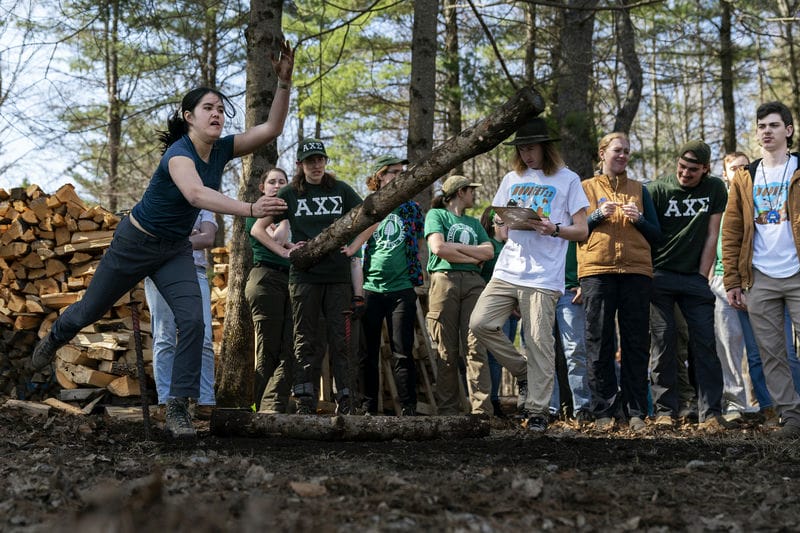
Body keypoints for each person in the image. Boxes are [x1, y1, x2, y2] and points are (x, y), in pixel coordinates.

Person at [30, 41, 295, 438]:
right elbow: (196, 195)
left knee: (193, 322)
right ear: (188, 117)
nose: (217, 114)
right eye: (208, 108)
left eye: (221, 109)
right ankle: (54, 338)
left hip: (174, 249)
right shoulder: (179, 153)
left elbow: (271, 128)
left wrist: (285, 83)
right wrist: (251, 208)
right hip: (133, 243)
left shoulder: (221, 149)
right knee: (89, 310)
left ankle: (178, 408)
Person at [469, 116, 589, 433]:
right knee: (480, 323)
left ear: (546, 148)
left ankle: (538, 411)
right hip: (508, 268)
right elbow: (499, 222)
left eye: (531, 148)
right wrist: (504, 224)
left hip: (543, 274)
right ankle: (523, 371)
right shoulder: (512, 177)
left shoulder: (568, 180)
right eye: (521, 149)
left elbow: (582, 230)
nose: (526, 155)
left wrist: (555, 229)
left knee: (538, 342)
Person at [255, 138, 363, 415]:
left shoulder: (340, 190)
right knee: (305, 339)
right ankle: (305, 401)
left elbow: (371, 216)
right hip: (304, 278)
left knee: (341, 340)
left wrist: (353, 246)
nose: (316, 165)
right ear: (300, 164)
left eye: (320, 160)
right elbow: (257, 229)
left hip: (338, 276)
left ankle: (347, 401)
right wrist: (283, 252)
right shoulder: (290, 193)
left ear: (326, 162)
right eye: (310, 161)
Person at [722, 101, 800, 437]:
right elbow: (733, 229)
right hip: (759, 277)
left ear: (789, 130)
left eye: (773, 125)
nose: (766, 131)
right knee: (771, 354)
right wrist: (733, 280)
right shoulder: (745, 176)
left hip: (797, 271)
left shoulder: (798, 169)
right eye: (761, 126)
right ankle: (792, 418)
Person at [578, 132, 661, 432]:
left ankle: (636, 410)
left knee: (636, 343)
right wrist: (597, 215)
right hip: (596, 271)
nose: (623, 155)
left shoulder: (640, 190)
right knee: (599, 342)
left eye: (627, 151)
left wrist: (638, 219)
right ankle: (603, 411)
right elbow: (576, 231)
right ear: (602, 154)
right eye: (617, 150)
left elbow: (656, 234)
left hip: (636, 272)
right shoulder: (584, 188)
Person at [647, 140, 729, 430]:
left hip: (695, 278)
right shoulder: (657, 189)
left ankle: (711, 413)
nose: (685, 173)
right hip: (661, 275)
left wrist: (702, 275)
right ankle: (665, 411)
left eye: (692, 170)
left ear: (705, 169)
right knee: (663, 342)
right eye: (682, 166)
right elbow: (647, 234)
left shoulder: (716, 188)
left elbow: (712, 233)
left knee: (705, 343)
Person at [343, 155, 423, 416]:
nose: (400, 175)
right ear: (380, 175)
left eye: (402, 171)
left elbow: (417, 243)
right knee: (368, 353)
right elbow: (356, 241)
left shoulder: (411, 208)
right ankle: (368, 407)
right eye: (393, 171)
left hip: (402, 289)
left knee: (403, 351)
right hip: (372, 289)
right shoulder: (368, 206)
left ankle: (408, 408)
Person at [425, 175, 495, 415]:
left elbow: (488, 252)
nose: (473, 195)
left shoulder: (475, 223)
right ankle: (448, 411)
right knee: (447, 349)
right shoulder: (437, 216)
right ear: (460, 192)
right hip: (444, 282)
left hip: (475, 284)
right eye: (470, 190)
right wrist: (471, 257)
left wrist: (458, 250)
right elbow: (438, 248)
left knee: (476, 346)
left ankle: (481, 411)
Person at [144, 209, 217, 419]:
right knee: (164, 337)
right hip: (159, 271)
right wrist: (191, 236)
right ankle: (165, 401)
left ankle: (205, 401)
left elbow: (208, 237)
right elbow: (151, 237)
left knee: (203, 338)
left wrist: (173, 239)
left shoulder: (203, 205)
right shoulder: (159, 200)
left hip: (196, 271)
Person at [246, 167, 294, 413]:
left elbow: (287, 241)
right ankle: (260, 408)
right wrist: (285, 217)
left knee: (291, 346)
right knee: (268, 349)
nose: (277, 186)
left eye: (282, 182)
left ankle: (274, 405)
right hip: (265, 279)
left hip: (291, 282)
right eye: (272, 182)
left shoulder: (291, 211)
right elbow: (276, 240)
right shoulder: (257, 211)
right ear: (262, 187)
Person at [478, 207, 519, 418]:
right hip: (496, 310)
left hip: (514, 312)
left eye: (510, 224)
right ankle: (492, 401)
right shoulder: (489, 247)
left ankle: (497, 399)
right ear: (492, 224)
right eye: (502, 223)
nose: (508, 228)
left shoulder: (512, 247)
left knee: (504, 357)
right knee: (493, 357)